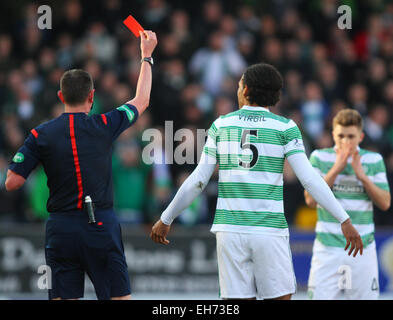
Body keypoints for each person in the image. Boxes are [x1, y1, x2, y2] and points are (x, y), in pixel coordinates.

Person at [151, 63, 363, 300]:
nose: (237, 88)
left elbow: (199, 180)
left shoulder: (221, 125)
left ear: (247, 90)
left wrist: (166, 217)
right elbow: (310, 179)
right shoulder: (285, 127)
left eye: (240, 84)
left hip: (230, 229)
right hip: (268, 229)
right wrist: (343, 218)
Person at [4, 30, 157, 300]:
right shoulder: (104, 124)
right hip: (100, 224)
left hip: (61, 228)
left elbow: (12, 182)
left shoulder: (41, 135)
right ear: (92, 96)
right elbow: (141, 100)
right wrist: (147, 56)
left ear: (61, 96)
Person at [304, 109, 391, 300]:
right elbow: (310, 200)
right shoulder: (319, 157)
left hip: (363, 248)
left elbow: (385, 203)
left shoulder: (373, 160)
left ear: (360, 136)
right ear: (333, 134)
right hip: (327, 248)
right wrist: (336, 169)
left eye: (350, 136)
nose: (345, 141)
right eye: (340, 136)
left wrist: (363, 177)